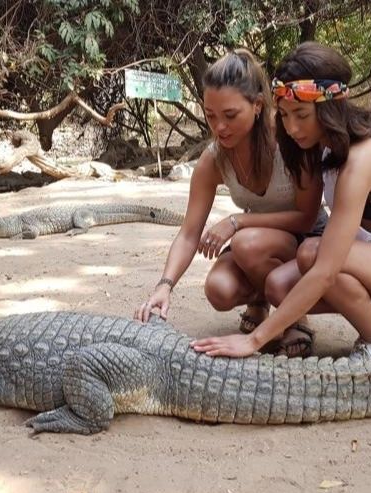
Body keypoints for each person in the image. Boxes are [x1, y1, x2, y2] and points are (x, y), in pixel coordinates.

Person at [191, 42, 371, 363]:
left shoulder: (362, 159)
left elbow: (327, 270)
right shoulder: (323, 145)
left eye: (301, 115)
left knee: (314, 254)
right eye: (286, 116)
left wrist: (254, 340)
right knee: (277, 284)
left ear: (331, 106)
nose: (291, 128)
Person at [134, 49, 327, 356]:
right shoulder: (213, 160)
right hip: (260, 243)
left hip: (306, 241)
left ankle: (294, 319)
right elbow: (188, 233)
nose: (219, 127)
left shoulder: (290, 142)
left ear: (258, 106)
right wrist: (164, 285)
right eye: (211, 116)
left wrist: (238, 221)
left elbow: (306, 217)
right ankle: (259, 299)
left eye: (230, 115)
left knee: (246, 243)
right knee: (219, 289)